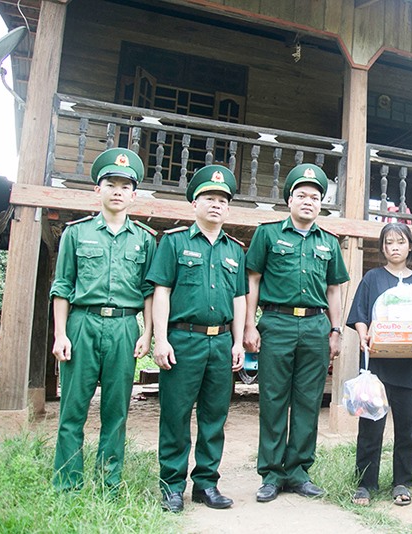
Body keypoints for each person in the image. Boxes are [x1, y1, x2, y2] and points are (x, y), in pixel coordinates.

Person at [49, 148, 156, 493]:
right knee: (73, 409)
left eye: (125, 186)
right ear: (98, 189)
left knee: (116, 411)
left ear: (133, 194)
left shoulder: (144, 239)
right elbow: (62, 287)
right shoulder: (76, 234)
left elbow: (149, 291)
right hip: (83, 324)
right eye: (111, 184)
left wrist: (148, 333)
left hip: (125, 327)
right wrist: (60, 334)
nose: (118, 191)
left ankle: (109, 481)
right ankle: (67, 483)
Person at [244, 163, 350, 503]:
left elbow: (334, 289)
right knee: (273, 399)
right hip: (277, 323)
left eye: (315, 197)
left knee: (307, 401)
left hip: (317, 326)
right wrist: (249, 325)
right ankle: (272, 473)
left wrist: (335, 330)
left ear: (321, 204)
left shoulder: (329, 242)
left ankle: (299, 471)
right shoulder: (268, 234)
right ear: (289, 200)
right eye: (302, 195)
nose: (308, 201)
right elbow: (253, 281)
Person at [147, 165, 247, 513]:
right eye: (209, 198)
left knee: (214, 416)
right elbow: (161, 291)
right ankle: (172, 485)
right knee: (175, 415)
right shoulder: (173, 242)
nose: (216, 204)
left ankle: (206, 483)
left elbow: (239, 299)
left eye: (222, 200)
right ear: (194, 203)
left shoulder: (235, 250)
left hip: (220, 343)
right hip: (183, 340)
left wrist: (237, 343)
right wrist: (161, 339)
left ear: (228, 208)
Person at [346, 222, 412, 507]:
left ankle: (402, 481)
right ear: (383, 247)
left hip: (409, 366)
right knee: (371, 426)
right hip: (378, 366)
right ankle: (365, 483)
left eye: (400, 242)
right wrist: (363, 335)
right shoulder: (372, 278)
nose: (394, 247)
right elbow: (360, 313)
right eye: (388, 243)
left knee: (407, 427)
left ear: (410, 246)